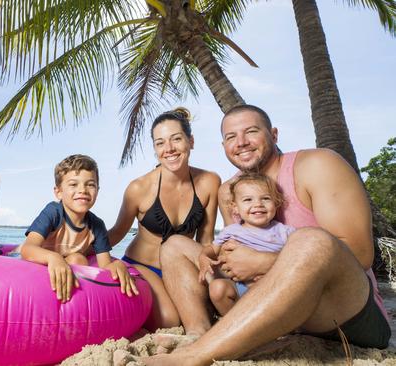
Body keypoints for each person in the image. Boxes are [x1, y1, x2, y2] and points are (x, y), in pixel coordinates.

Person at [144, 104, 390, 365]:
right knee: (174, 245)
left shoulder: (316, 165)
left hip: (344, 313)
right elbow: (235, 255)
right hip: (272, 310)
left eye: (251, 131)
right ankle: (199, 334)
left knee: (311, 240)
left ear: (274, 134)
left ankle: (196, 356)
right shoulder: (230, 191)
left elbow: (360, 254)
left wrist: (260, 261)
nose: (241, 143)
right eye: (230, 137)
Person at [108, 108, 221, 330]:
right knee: (170, 320)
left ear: (191, 141)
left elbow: (205, 241)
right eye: (160, 143)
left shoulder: (209, 182)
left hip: (181, 268)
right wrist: (75, 249)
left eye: (176, 139)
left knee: (212, 304)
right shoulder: (139, 188)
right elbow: (115, 234)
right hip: (143, 267)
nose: (168, 149)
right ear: (155, 149)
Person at [21, 154, 139, 303]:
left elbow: (104, 265)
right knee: (74, 259)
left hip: (70, 261)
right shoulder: (53, 212)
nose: (82, 190)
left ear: (98, 189)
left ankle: (73, 302)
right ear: (58, 192)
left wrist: (116, 265)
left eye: (90, 184)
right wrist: (54, 257)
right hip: (41, 264)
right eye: (73, 184)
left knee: (78, 259)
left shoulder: (97, 225)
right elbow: (27, 249)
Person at [198, 172, 295, 316]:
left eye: (266, 198)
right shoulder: (231, 231)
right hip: (241, 288)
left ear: (276, 202)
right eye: (248, 199)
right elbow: (212, 249)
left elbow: (298, 255)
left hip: (273, 290)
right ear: (235, 207)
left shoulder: (284, 231)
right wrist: (203, 258)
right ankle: (234, 323)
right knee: (217, 288)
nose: (258, 204)